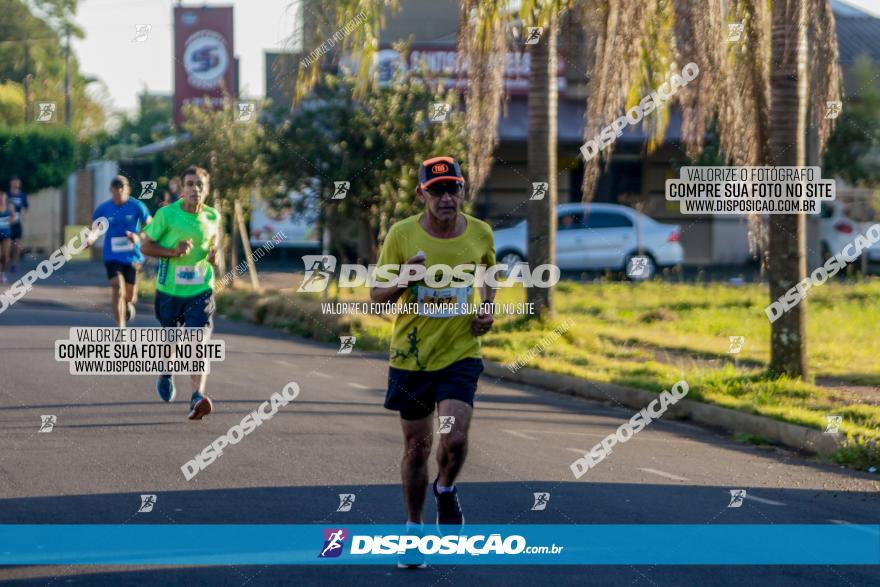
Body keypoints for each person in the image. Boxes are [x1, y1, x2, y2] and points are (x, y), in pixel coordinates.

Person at [370, 156, 496, 568]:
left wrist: (488, 310)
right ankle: (413, 529)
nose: (446, 197)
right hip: (411, 357)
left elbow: (489, 273)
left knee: (455, 438)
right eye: (437, 190)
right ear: (422, 194)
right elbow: (376, 294)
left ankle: (445, 489)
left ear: (463, 191)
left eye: (453, 188)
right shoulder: (402, 234)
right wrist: (404, 277)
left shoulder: (480, 232)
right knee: (416, 446)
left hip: (460, 354)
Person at [141, 166, 220, 421]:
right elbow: (145, 246)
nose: (195, 189)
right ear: (182, 188)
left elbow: (214, 243)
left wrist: (214, 255)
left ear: (206, 189)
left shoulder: (212, 217)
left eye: (200, 184)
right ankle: (165, 372)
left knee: (199, 342)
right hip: (169, 291)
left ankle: (197, 396)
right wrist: (174, 252)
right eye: (190, 184)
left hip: (201, 290)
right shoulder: (166, 215)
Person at [89, 176, 151, 327]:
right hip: (112, 256)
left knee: (130, 296)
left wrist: (139, 236)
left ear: (128, 189)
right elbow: (95, 229)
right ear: (111, 190)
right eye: (116, 188)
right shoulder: (104, 209)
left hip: (133, 257)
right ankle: (120, 328)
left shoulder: (137, 206)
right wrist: (90, 239)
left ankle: (128, 304)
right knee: (117, 288)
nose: (119, 191)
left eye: (122, 188)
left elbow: (151, 226)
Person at [7, 176, 28, 273]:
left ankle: (15, 264)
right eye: (14, 182)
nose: (16, 184)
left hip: (17, 223)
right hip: (7, 223)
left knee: (17, 245)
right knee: (6, 245)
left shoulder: (22, 195)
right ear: (11, 183)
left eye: (17, 182)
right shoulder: (7, 195)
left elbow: (26, 207)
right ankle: (5, 262)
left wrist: (24, 215)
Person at [0, 190, 18, 283]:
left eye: (2, 197)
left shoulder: (9, 207)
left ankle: (2, 274)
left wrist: (8, 222)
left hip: (6, 234)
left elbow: (14, 218)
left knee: (5, 255)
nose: (1, 199)